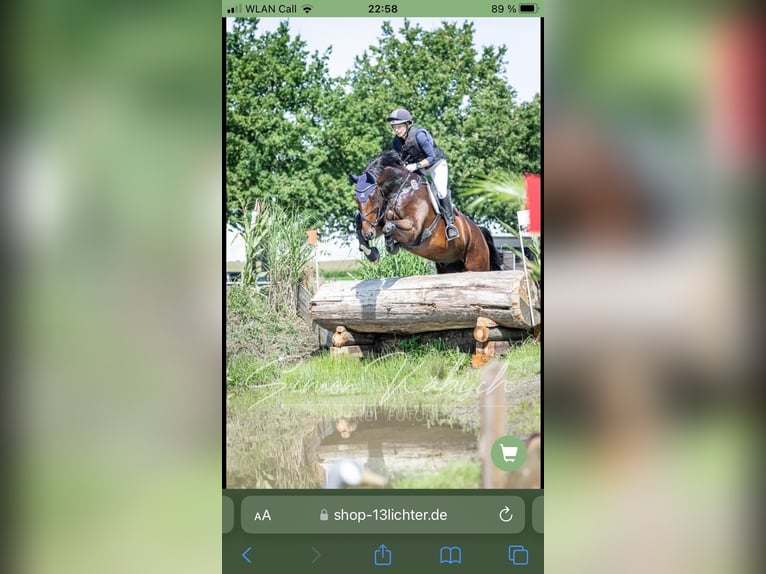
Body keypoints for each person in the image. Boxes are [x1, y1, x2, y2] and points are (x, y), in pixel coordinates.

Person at [387, 108, 459, 240]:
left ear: (408, 125)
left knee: (441, 192)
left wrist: (416, 166)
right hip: (419, 169)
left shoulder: (419, 135)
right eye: (394, 127)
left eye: (399, 126)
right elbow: (397, 159)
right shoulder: (396, 142)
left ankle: (450, 224)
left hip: (436, 165)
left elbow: (431, 157)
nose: (397, 130)